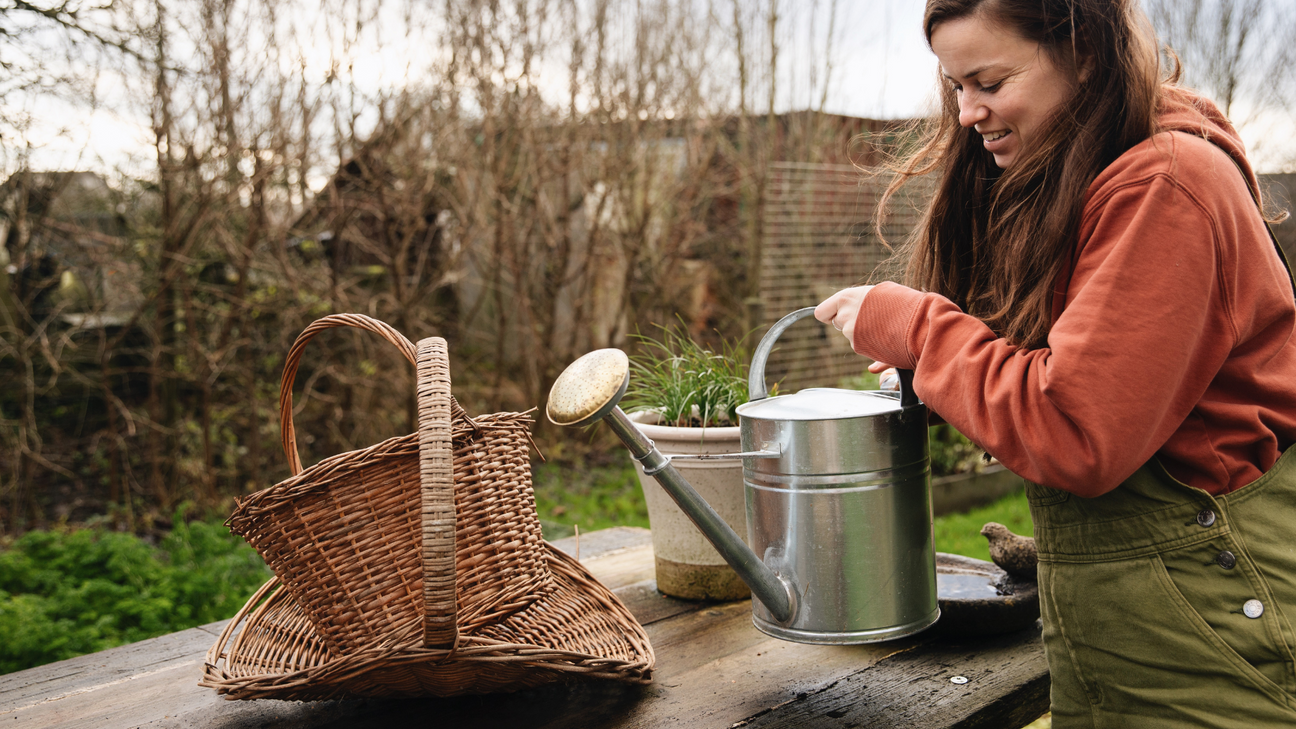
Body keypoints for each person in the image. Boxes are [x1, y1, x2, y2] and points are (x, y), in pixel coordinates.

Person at [814, 0, 1296, 726]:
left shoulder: (1165, 186)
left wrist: (920, 328)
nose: (968, 110)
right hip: (1132, 622)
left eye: (990, 81)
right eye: (956, 87)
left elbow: (1076, 429)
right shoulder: (1103, 177)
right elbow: (1092, 382)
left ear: (1086, 54)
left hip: (1208, 633)